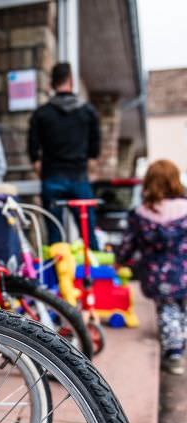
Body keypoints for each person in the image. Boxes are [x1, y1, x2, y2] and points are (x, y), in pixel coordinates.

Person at [116, 159, 187, 375]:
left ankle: (174, 353)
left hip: (158, 275)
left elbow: (129, 243)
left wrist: (120, 260)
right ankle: (179, 338)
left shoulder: (141, 214)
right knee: (181, 309)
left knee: (167, 309)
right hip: (184, 270)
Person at [28, 62, 101, 249]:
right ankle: (91, 276)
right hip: (79, 178)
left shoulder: (41, 114)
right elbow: (94, 151)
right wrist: (89, 170)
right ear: (71, 80)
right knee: (88, 234)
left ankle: (58, 277)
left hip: (52, 178)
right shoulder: (88, 112)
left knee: (55, 237)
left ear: (52, 83)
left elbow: (33, 152)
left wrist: (42, 171)